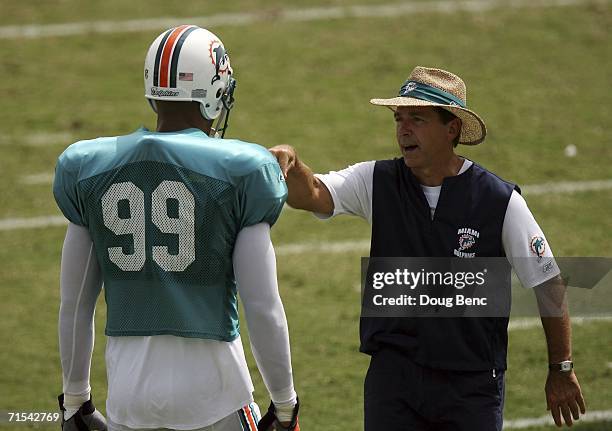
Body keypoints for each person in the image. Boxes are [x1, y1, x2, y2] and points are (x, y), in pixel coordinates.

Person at [269, 66, 585, 430]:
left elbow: (548, 283)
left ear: (452, 129)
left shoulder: (500, 202)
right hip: (394, 379)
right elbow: (311, 195)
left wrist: (560, 368)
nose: (403, 129)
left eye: (416, 119)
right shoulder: (377, 180)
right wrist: (292, 164)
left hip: (471, 386)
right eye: (399, 119)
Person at [53, 25, 300, 431]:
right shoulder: (243, 170)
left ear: (152, 92)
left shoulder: (86, 167)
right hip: (215, 394)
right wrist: (285, 404)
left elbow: (75, 302)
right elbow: (263, 307)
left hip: (129, 398)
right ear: (216, 93)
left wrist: (75, 397)